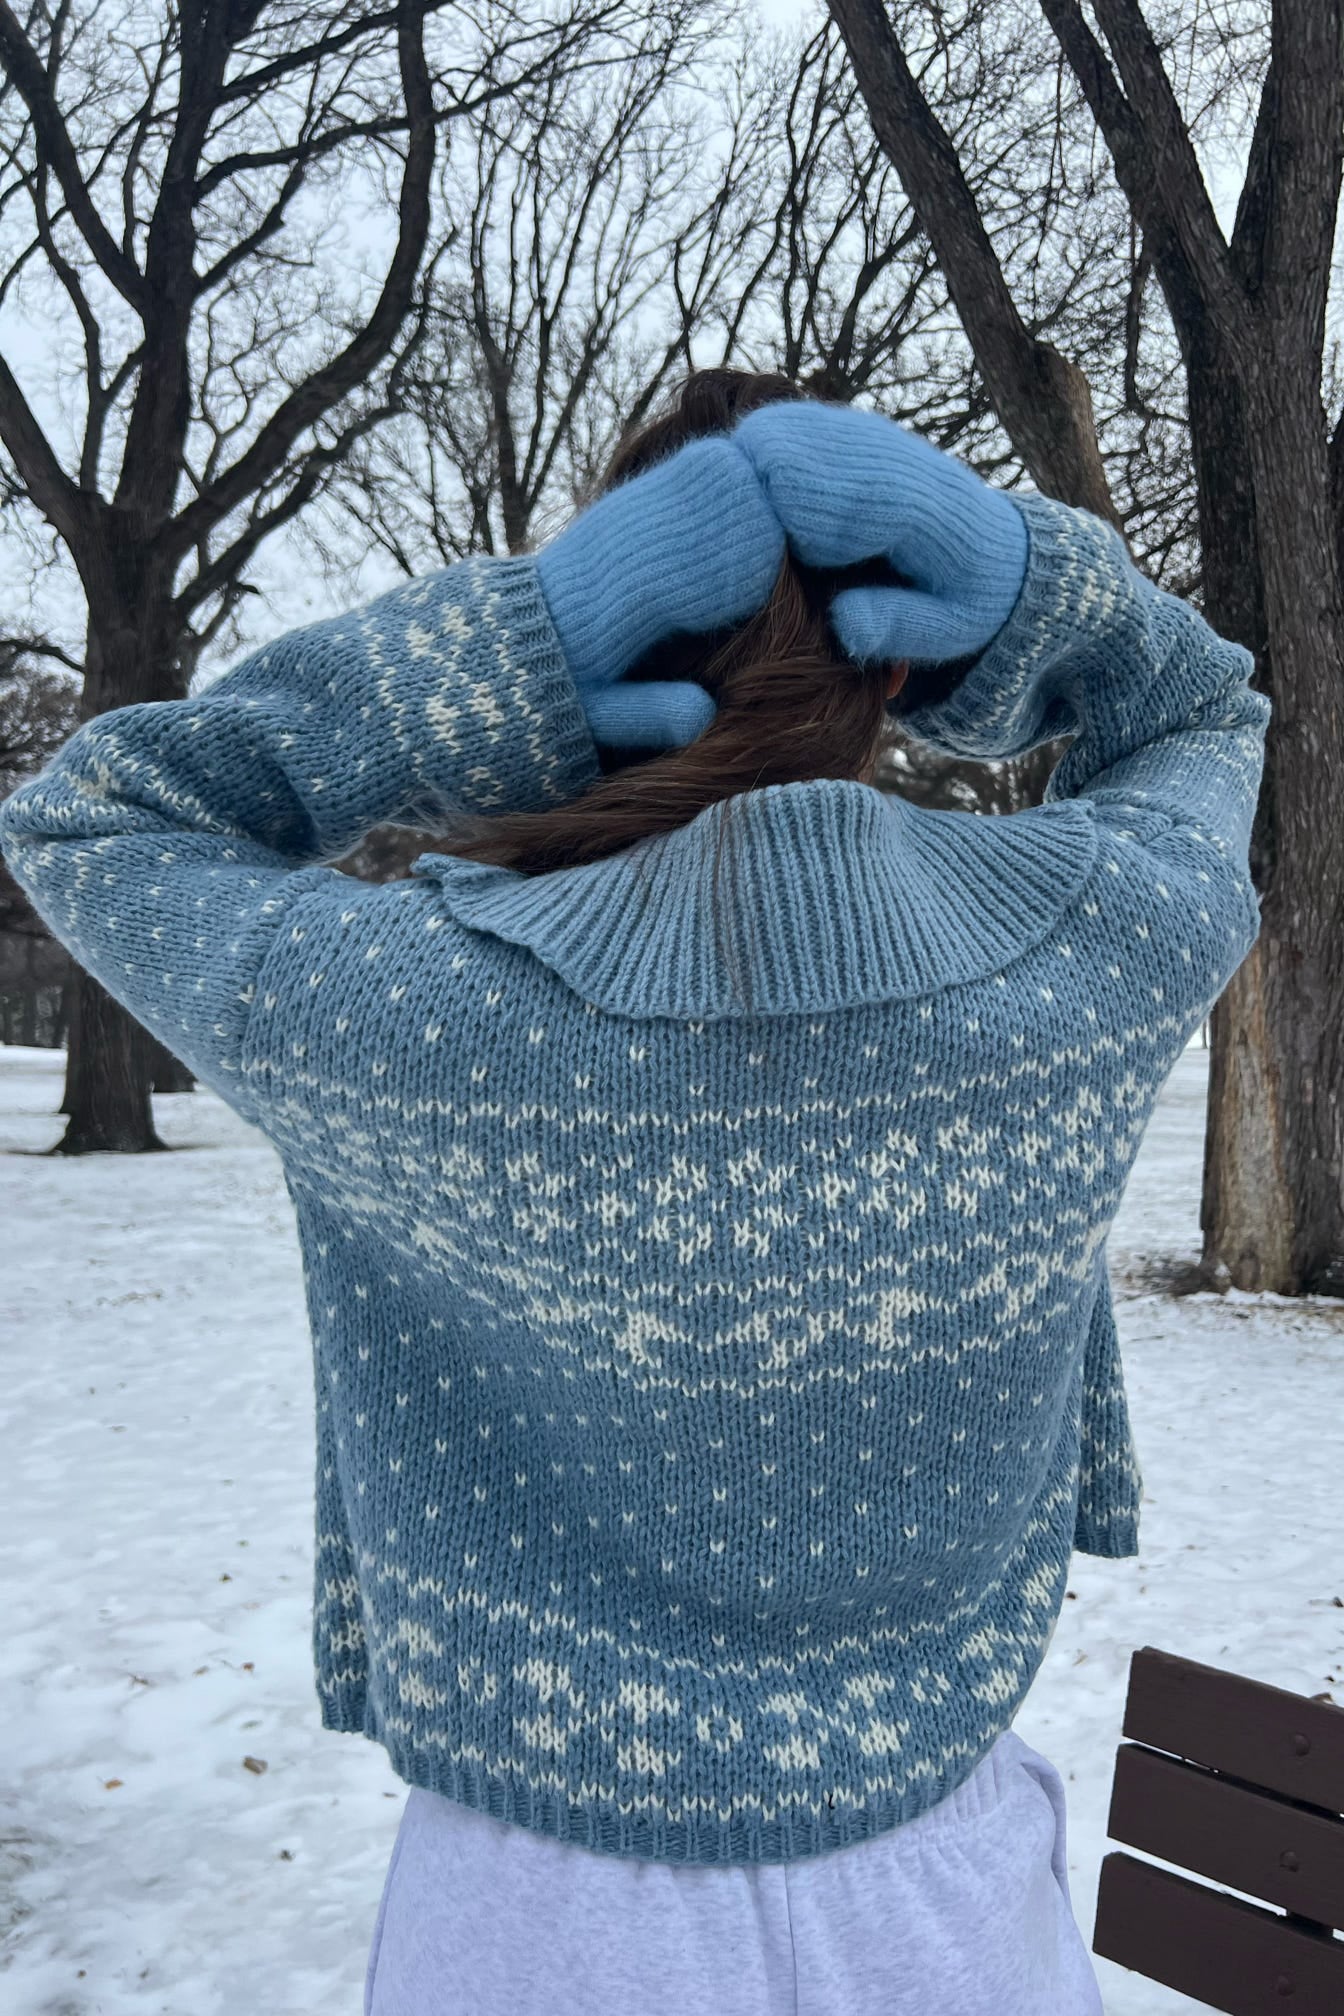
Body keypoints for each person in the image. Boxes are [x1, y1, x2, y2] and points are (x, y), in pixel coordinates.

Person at [0, 369, 1269, 2015]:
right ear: (898, 655)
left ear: (597, 650)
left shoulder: (413, 1012)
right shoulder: (1094, 943)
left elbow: (101, 815)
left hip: (540, 1927)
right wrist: (1030, 596)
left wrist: (523, 645)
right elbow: (1195, 712)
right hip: (949, 1909)